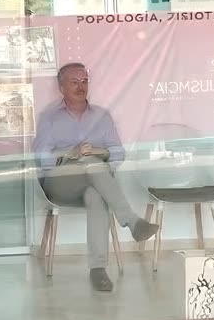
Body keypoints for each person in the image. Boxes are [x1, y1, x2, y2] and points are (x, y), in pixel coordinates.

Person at [33, 63, 159, 292]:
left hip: (93, 180)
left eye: (84, 81)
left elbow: (119, 153)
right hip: (60, 182)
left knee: (96, 195)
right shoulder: (49, 117)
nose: (81, 86)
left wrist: (100, 152)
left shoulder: (102, 116)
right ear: (61, 87)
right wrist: (69, 154)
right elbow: (42, 159)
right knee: (92, 166)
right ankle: (132, 221)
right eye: (74, 82)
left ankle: (98, 270)